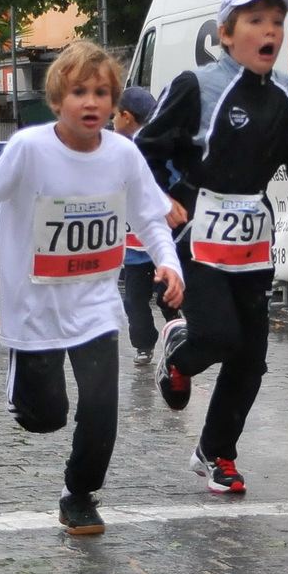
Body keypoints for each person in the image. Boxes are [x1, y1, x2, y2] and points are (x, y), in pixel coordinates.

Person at [0, 41, 184, 535]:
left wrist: (169, 263)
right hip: (33, 302)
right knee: (45, 418)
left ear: (115, 104)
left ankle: (78, 495)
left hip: (96, 303)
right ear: (58, 100)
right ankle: (17, 357)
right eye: (79, 91)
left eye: (102, 93)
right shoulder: (29, 149)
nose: (91, 102)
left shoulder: (124, 153)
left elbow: (150, 214)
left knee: (102, 407)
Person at [137, 0, 288, 494]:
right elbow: (144, 149)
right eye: (255, 21)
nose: (270, 30)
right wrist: (162, 199)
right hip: (195, 228)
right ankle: (181, 348)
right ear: (226, 35)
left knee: (251, 359)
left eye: (276, 21)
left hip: (253, 233)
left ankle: (215, 453)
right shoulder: (197, 85)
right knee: (218, 336)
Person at [112, 85, 178, 366]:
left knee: (165, 295)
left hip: (159, 237)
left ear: (126, 116)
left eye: (115, 114)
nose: (111, 121)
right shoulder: (116, 148)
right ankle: (144, 344)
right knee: (135, 300)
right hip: (135, 244)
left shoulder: (154, 147)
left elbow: (175, 182)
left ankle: (176, 331)